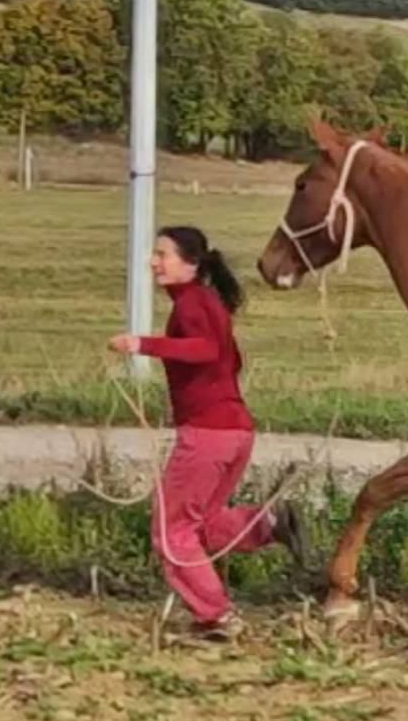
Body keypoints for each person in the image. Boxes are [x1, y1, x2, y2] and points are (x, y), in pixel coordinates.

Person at [109, 226, 305, 641]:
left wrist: (141, 344)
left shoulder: (193, 304)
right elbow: (231, 360)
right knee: (202, 524)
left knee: (171, 530)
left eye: (163, 255)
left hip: (208, 435)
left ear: (191, 263)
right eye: (155, 254)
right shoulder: (208, 302)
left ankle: (216, 616)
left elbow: (207, 351)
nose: (154, 262)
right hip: (236, 431)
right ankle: (266, 523)